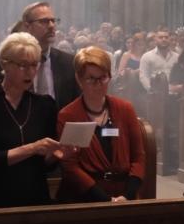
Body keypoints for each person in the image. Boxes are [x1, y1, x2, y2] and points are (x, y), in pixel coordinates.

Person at [0, 33, 60, 209]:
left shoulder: (44, 105)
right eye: (23, 65)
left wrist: (55, 155)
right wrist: (33, 148)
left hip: (34, 195)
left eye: (34, 65)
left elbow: (46, 165)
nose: (30, 72)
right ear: (5, 64)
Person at [55, 46, 147, 202]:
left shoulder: (125, 109)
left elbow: (138, 157)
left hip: (124, 195)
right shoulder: (68, 115)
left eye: (103, 77)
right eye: (91, 79)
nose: (98, 85)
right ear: (79, 79)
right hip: (85, 198)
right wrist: (104, 200)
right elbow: (70, 167)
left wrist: (128, 195)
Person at [0, 2, 78, 108]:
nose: (51, 26)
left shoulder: (69, 64)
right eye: (44, 21)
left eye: (53, 21)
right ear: (27, 26)